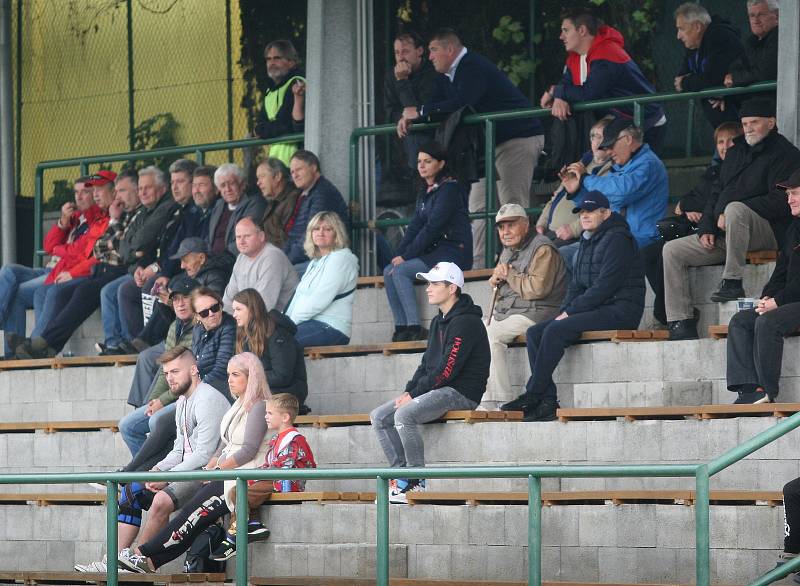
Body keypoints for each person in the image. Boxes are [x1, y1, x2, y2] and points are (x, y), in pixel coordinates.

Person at [115, 392, 314, 571]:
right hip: (242, 478)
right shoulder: (268, 431)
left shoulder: (293, 438)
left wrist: (227, 471)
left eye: (270, 414)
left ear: (285, 417)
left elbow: (284, 467)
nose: (265, 417)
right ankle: (148, 561)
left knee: (198, 513)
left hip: (274, 483)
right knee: (195, 517)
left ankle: (141, 553)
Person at [75, 346, 231, 573]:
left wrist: (166, 478)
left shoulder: (207, 399)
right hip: (186, 469)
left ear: (194, 370)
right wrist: (157, 469)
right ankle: (114, 561)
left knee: (160, 501)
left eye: (175, 372)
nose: (170, 378)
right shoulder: (182, 402)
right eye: (167, 373)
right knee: (131, 491)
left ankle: (136, 562)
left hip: (206, 473)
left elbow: (203, 455)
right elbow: (180, 449)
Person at [399, 28, 545, 269]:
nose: (431, 56)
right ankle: (479, 268)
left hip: (517, 138)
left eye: (434, 50)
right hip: (487, 147)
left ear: (450, 49)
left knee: (512, 204)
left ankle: (522, 265)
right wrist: (413, 116)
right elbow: (433, 105)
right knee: (478, 208)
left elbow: (462, 102)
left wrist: (421, 112)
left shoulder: (472, 65)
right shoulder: (447, 75)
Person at [114, 351, 272, 573]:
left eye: (235, 375)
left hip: (240, 477)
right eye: (228, 374)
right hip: (221, 475)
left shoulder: (257, 406)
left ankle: (141, 557)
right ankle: (132, 560)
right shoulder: (237, 405)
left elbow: (247, 451)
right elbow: (223, 444)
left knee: (189, 516)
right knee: (134, 493)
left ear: (252, 376)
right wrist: (161, 469)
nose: (229, 380)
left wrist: (214, 468)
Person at [664, 98, 800, 340]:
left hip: (767, 230)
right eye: (745, 123)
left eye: (754, 122)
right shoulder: (736, 152)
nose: (748, 127)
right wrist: (707, 225)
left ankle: (732, 282)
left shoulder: (786, 153)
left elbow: (781, 202)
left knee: (737, 209)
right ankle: (680, 322)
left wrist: (735, 211)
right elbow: (716, 191)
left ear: (771, 122)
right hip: (729, 232)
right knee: (671, 249)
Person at [502, 192, 645, 422]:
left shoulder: (619, 239)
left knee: (556, 330)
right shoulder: (588, 240)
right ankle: (548, 403)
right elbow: (576, 285)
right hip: (597, 308)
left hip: (621, 310)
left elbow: (605, 287)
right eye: (582, 212)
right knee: (535, 332)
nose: (585, 216)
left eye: (591, 211)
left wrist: (569, 313)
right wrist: (563, 312)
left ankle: (533, 393)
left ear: (606, 213)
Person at [370, 262, 489, 503]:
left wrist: (414, 396)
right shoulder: (438, 321)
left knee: (404, 415)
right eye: (428, 283)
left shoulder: (466, 322)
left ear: (452, 287)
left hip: (461, 392)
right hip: (440, 387)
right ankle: (400, 477)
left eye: (434, 284)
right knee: (379, 416)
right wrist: (409, 391)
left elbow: (448, 370)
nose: (428, 289)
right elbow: (426, 364)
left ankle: (416, 481)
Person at [15, 170, 145, 359]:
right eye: (91, 190)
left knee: (77, 291)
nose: (94, 194)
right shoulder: (90, 216)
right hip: (90, 270)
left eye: (99, 189)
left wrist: (70, 265)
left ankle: (40, 344)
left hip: (108, 271)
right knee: (48, 290)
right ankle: (44, 346)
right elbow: (94, 248)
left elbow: (107, 252)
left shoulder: (117, 214)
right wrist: (62, 223)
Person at [561, 119, 667, 322]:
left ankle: (586, 313)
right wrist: (576, 191)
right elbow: (600, 205)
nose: (608, 151)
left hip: (642, 238)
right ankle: (570, 312)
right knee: (563, 255)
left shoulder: (649, 164)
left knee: (580, 257)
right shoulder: (620, 167)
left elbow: (622, 192)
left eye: (610, 145)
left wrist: (585, 179)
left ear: (627, 139)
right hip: (612, 237)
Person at [0, 176, 102, 356]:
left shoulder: (97, 220)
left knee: (20, 293)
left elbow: (79, 253)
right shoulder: (76, 218)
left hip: (64, 272)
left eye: (85, 192)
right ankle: (12, 351)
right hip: (52, 269)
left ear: (95, 194)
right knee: (8, 270)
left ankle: (25, 350)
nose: (79, 197)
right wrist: (63, 221)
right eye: (76, 192)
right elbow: (48, 246)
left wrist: (60, 249)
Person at [542, 8, 667, 153]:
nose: (561, 36)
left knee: (632, 174)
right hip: (617, 124)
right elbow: (566, 82)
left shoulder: (607, 53)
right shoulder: (575, 57)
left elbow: (589, 93)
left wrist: (555, 91)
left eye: (566, 30)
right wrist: (559, 97)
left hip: (646, 123)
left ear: (582, 30)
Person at [482, 204, 568, 411]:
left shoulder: (542, 249)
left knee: (491, 334)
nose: (506, 232)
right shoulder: (508, 250)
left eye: (511, 225)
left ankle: (498, 399)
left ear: (525, 224)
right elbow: (505, 287)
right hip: (511, 312)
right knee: (473, 329)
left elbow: (537, 290)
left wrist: (508, 275)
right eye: (501, 228)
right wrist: (495, 280)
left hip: (538, 313)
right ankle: (478, 395)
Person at [383, 141, 472, 342]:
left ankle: (415, 326)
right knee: (389, 270)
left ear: (441, 164)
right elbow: (415, 226)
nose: (421, 166)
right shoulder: (426, 191)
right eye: (419, 162)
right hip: (434, 252)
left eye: (427, 161)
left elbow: (432, 228)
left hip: (452, 252)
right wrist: (399, 254)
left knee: (400, 270)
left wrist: (406, 257)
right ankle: (401, 327)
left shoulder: (449, 189)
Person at [725, 170, 800, 405]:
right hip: (791, 300)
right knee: (740, 321)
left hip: (793, 301)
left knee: (768, 322)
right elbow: (780, 272)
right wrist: (767, 297)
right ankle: (750, 390)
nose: (790, 199)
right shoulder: (793, 229)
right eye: (788, 194)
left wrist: (777, 302)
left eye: (795, 192)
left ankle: (769, 392)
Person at [116, 159, 206, 345]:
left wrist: (160, 270)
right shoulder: (180, 210)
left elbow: (178, 250)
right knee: (125, 290)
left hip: (183, 270)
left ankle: (148, 341)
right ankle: (135, 342)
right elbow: (129, 245)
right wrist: (141, 264)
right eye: (173, 182)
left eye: (180, 182)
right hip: (165, 268)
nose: (175, 187)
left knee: (154, 287)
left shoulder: (185, 210)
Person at [97, 166, 178, 355]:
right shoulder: (143, 213)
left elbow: (140, 242)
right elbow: (127, 250)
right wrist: (135, 265)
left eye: (147, 188)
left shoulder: (165, 207)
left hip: (164, 269)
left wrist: (136, 254)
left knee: (138, 287)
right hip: (140, 270)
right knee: (116, 290)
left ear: (162, 188)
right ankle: (129, 344)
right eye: (141, 189)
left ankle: (142, 344)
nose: (143, 193)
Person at [120, 277, 198, 457]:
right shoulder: (174, 327)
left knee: (155, 421)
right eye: (176, 299)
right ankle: (143, 473)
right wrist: (154, 400)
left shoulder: (200, 328)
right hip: (174, 395)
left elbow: (188, 377)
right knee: (127, 425)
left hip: (190, 396)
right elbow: (166, 372)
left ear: (195, 299)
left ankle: (153, 473)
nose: (180, 304)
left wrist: (162, 401)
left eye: (185, 298)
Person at [130, 237, 230, 351]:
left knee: (147, 357)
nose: (182, 266)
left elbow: (209, 312)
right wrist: (167, 303)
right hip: (179, 334)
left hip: (199, 339)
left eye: (185, 260)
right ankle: (144, 340)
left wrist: (172, 303)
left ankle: (144, 341)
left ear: (201, 258)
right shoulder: (184, 277)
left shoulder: (216, 276)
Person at [536, 116, 614, 247]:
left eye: (602, 136)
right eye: (593, 136)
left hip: (575, 237)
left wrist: (574, 229)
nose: (597, 141)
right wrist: (541, 224)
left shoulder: (612, 169)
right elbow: (555, 198)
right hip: (551, 232)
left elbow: (601, 208)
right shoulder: (580, 164)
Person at [286, 211, 358, 347]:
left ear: (337, 234)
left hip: (331, 326)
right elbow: (298, 297)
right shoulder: (315, 263)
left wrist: (289, 324)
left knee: (281, 341)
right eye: (316, 229)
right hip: (309, 323)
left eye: (327, 229)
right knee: (270, 340)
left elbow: (319, 300)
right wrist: (284, 322)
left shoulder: (341, 259)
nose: (320, 232)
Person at [231, 288, 308, 411]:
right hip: (264, 391)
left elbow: (282, 375)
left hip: (287, 394)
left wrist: (250, 378)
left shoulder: (278, 334)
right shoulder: (245, 335)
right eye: (234, 310)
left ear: (252, 309)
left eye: (238, 309)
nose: (234, 314)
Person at [674, 2, 745, 129]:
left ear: (697, 26)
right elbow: (679, 79)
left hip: (740, 120)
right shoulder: (693, 46)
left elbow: (713, 80)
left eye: (681, 29)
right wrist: (712, 91)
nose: (678, 36)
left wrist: (715, 90)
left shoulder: (720, 36)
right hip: (722, 127)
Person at [283, 150, 350, 271]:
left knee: (281, 276)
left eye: (298, 170)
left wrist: (286, 262)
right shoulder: (307, 193)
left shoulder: (322, 193)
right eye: (292, 172)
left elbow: (309, 237)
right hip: (304, 257)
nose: (294, 175)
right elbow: (294, 234)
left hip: (322, 259)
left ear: (313, 168)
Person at [384, 31, 438, 170]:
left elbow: (417, 110)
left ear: (419, 51)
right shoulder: (391, 75)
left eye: (405, 52)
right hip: (406, 148)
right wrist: (402, 117)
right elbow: (390, 109)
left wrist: (402, 81)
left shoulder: (433, 72)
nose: (400, 58)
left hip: (434, 143)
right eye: (397, 53)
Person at [222, 217, 299, 313]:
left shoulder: (272, 256)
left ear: (261, 236)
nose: (241, 241)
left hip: (278, 321)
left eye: (247, 236)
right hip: (250, 318)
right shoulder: (241, 257)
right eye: (238, 237)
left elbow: (263, 305)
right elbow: (229, 298)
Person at [674, 122, 744, 227]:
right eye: (720, 142)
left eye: (731, 140)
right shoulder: (713, 170)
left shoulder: (744, 171)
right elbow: (693, 195)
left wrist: (685, 205)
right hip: (698, 227)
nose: (725, 146)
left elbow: (714, 202)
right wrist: (688, 210)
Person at [254, 39, 305, 165]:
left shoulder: (297, 82)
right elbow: (259, 126)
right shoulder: (269, 91)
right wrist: (263, 129)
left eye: (277, 58)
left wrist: (264, 130)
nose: (272, 63)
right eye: (268, 59)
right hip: (277, 160)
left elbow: (287, 125)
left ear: (291, 62)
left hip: (298, 158)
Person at [207, 163, 268, 263]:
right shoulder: (218, 205)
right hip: (213, 261)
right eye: (223, 185)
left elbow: (247, 239)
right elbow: (209, 238)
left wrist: (219, 260)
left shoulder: (255, 203)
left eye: (231, 183)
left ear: (242, 184)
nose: (227, 189)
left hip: (235, 260)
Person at [724, 0, 779, 99]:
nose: (756, 21)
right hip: (755, 102)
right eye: (752, 15)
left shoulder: (779, 37)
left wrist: (735, 78)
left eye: (761, 14)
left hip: (777, 103)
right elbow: (735, 67)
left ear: (777, 16)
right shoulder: (751, 41)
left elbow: (765, 74)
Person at [191, 287, 237, 398]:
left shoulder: (229, 327)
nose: (211, 314)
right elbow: (192, 362)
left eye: (215, 308)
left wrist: (195, 390)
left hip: (219, 391)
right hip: (198, 390)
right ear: (197, 316)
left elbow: (222, 368)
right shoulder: (198, 329)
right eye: (204, 313)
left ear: (221, 306)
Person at [256, 157, 300, 249]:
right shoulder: (274, 201)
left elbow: (284, 241)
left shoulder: (292, 200)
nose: (258, 183)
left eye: (262, 176)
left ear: (277, 176)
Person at [191, 165, 220, 238]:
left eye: (201, 185)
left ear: (216, 189)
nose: (196, 191)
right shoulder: (190, 212)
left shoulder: (221, 213)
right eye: (194, 185)